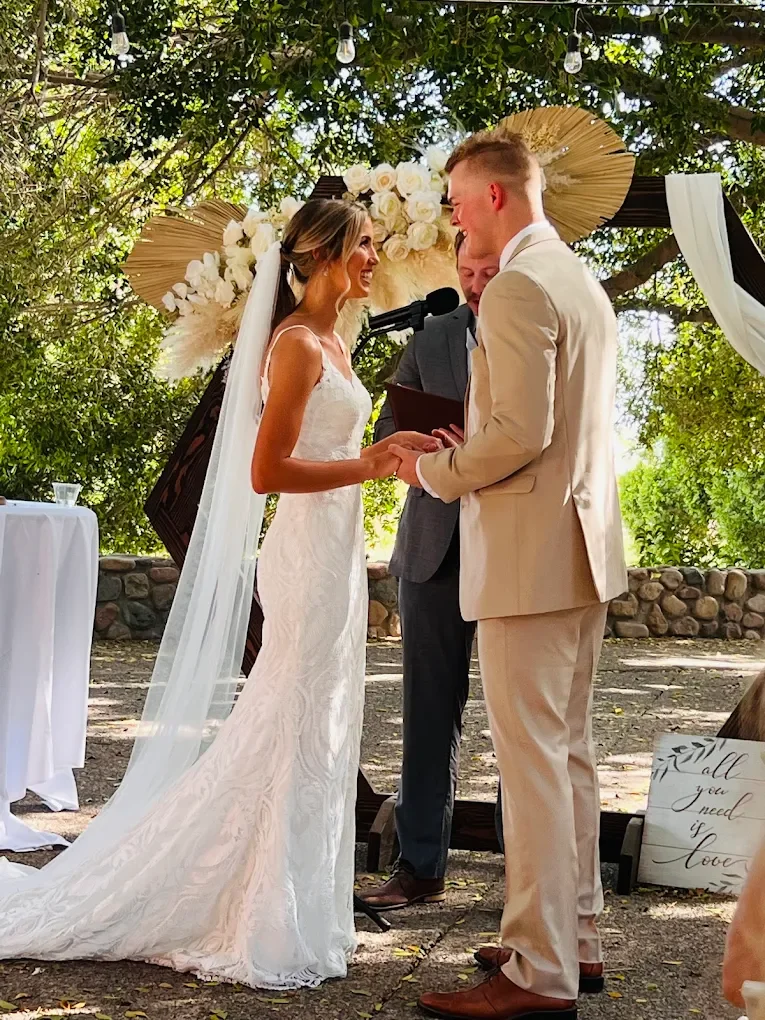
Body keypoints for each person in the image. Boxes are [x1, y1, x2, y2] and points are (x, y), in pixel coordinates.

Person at [0, 200, 438, 990]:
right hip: (304, 554)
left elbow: (337, 447)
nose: (377, 257)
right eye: (366, 245)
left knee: (321, 727)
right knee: (290, 722)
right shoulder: (297, 345)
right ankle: (246, 907)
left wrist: (388, 450)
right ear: (324, 254)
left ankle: (298, 902)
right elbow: (266, 475)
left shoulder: (338, 341)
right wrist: (369, 465)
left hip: (336, 553)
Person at [391, 132, 627, 1019]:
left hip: (529, 557)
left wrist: (430, 471)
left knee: (530, 768)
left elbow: (518, 434)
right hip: (577, 546)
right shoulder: (577, 278)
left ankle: (534, 973)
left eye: (455, 199)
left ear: (493, 196)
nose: (450, 214)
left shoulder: (522, 284)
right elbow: (546, 429)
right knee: (565, 757)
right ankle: (577, 937)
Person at [359, 233, 502, 912]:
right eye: (467, 272)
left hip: (513, 549)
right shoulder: (434, 335)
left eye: (487, 271)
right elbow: (388, 427)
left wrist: (483, 450)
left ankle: (527, 885)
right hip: (431, 548)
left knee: (518, 721)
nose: (475, 283)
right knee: (424, 714)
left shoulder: (538, 330)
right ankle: (419, 867)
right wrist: (426, 444)